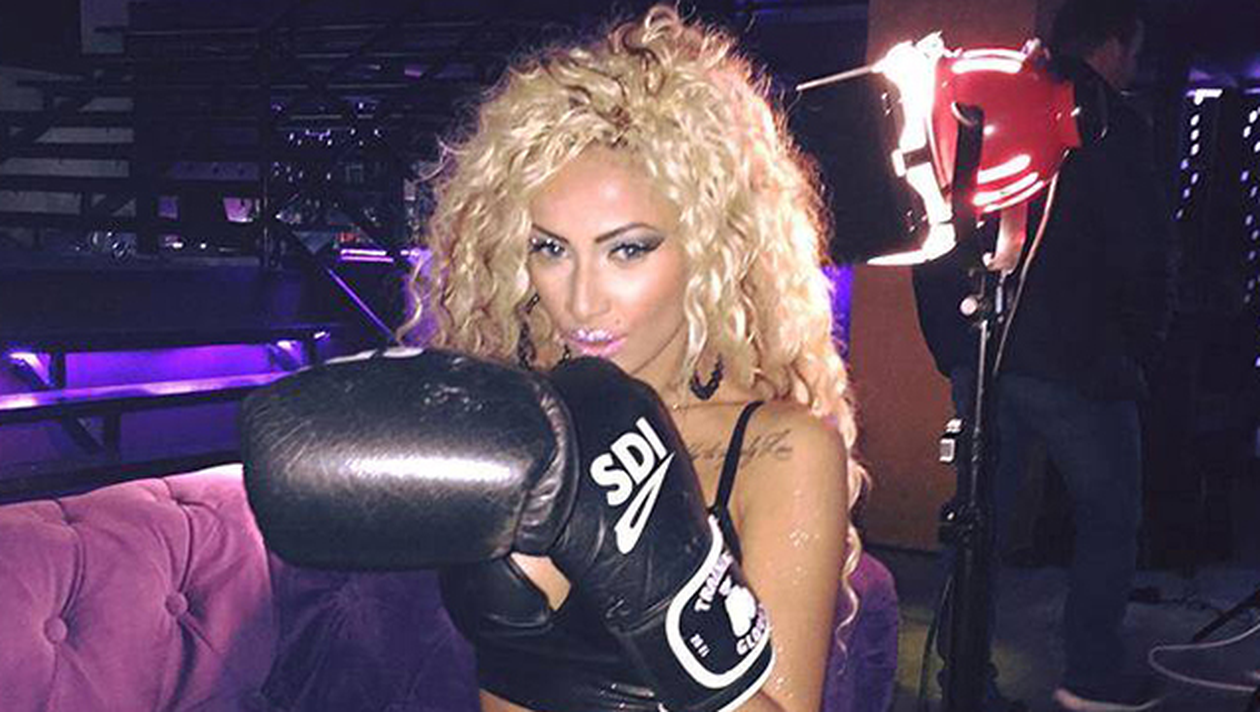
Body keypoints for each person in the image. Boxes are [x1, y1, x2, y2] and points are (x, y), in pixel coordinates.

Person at [244, 5, 866, 712]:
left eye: (627, 249)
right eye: (550, 249)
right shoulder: (519, 418)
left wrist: (666, 593)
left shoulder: (779, 449)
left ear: (710, 249)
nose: (581, 301)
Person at [987, 1, 1178, 710]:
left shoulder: (1000, 100)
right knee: (1108, 518)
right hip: (1084, 358)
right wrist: (1142, 344)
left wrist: (953, 345)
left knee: (980, 520)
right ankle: (1091, 674)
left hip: (990, 348)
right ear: (1114, 46)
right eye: (1135, 51)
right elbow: (1142, 250)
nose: (1135, 65)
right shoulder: (1109, 124)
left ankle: (964, 670)